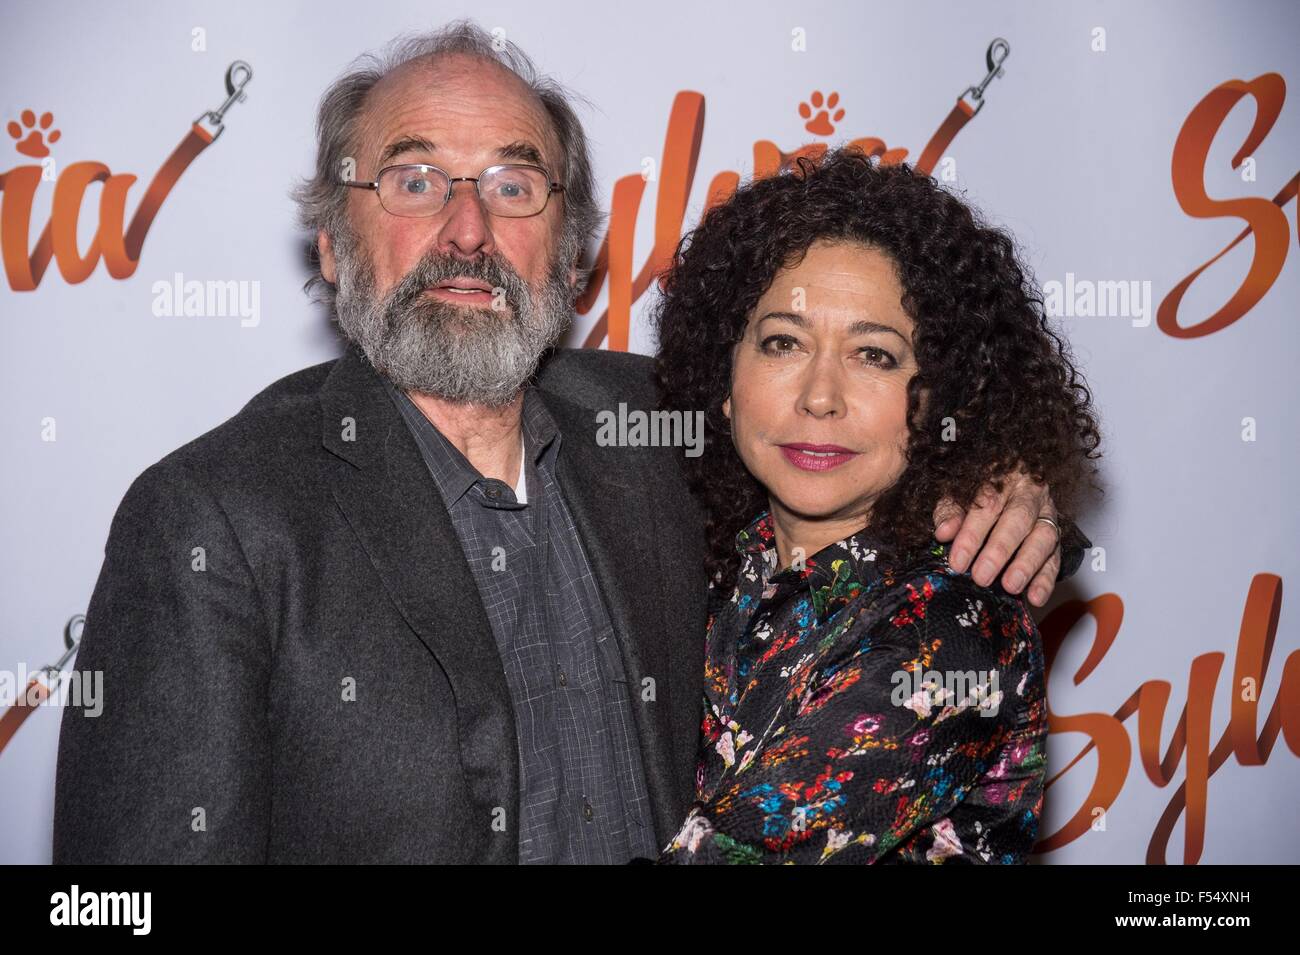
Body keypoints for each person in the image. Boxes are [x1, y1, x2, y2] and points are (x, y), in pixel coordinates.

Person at [52, 22, 1082, 864]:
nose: (467, 228)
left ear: (574, 249)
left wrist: (999, 483)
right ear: (331, 242)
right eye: (413, 181)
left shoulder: (657, 426)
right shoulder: (216, 518)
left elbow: (863, 467)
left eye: (512, 183)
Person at [653, 147, 1100, 863]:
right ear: (724, 381)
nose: (820, 396)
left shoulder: (955, 630)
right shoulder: (717, 548)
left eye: (875, 355)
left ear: (939, 398)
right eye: (782, 343)